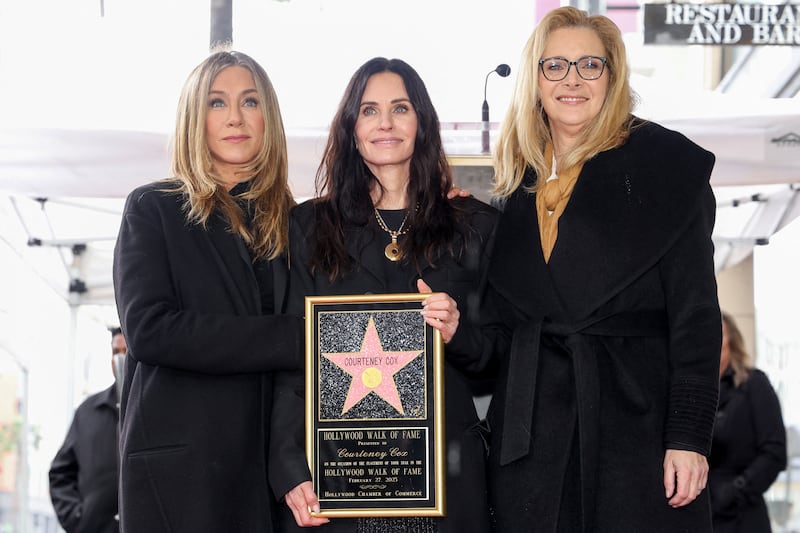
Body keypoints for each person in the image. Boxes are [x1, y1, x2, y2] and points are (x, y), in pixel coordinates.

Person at [480, 6, 723, 531]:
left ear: (612, 77)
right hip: (533, 442)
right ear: (535, 79)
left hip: (636, 430)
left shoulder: (668, 167)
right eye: (555, 66)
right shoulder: (515, 187)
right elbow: (502, 326)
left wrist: (688, 436)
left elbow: (697, 316)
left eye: (590, 65)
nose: (572, 80)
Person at [269, 57, 498, 533]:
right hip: (339, 480)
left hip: (446, 481)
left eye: (401, 108)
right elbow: (291, 355)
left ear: (422, 122)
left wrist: (459, 333)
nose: (386, 123)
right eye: (369, 110)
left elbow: (503, 358)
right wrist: (290, 468)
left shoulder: (475, 225)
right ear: (351, 127)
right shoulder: (308, 227)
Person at [112, 49, 303, 532]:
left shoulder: (296, 223)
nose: (235, 117)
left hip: (272, 478)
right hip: (184, 476)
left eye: (250, 101)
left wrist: (437, 203)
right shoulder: (154, 208)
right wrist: (293, 338)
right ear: (195, 117)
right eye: (217, 102)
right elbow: (150, 331)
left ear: (268, 116)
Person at [709, 312, 787, 532]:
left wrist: (738, 489)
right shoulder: (695, 393)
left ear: (731, 340)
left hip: (743, 517)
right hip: (705, 516)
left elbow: (774, 452)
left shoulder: (754, 384)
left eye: (718, 334)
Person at [48, 327, 128, 533]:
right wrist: (78, 519)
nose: (120, 359)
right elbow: (60, 473)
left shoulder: (155, 410)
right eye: (116, 352)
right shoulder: (88, 412)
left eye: (126, 351)